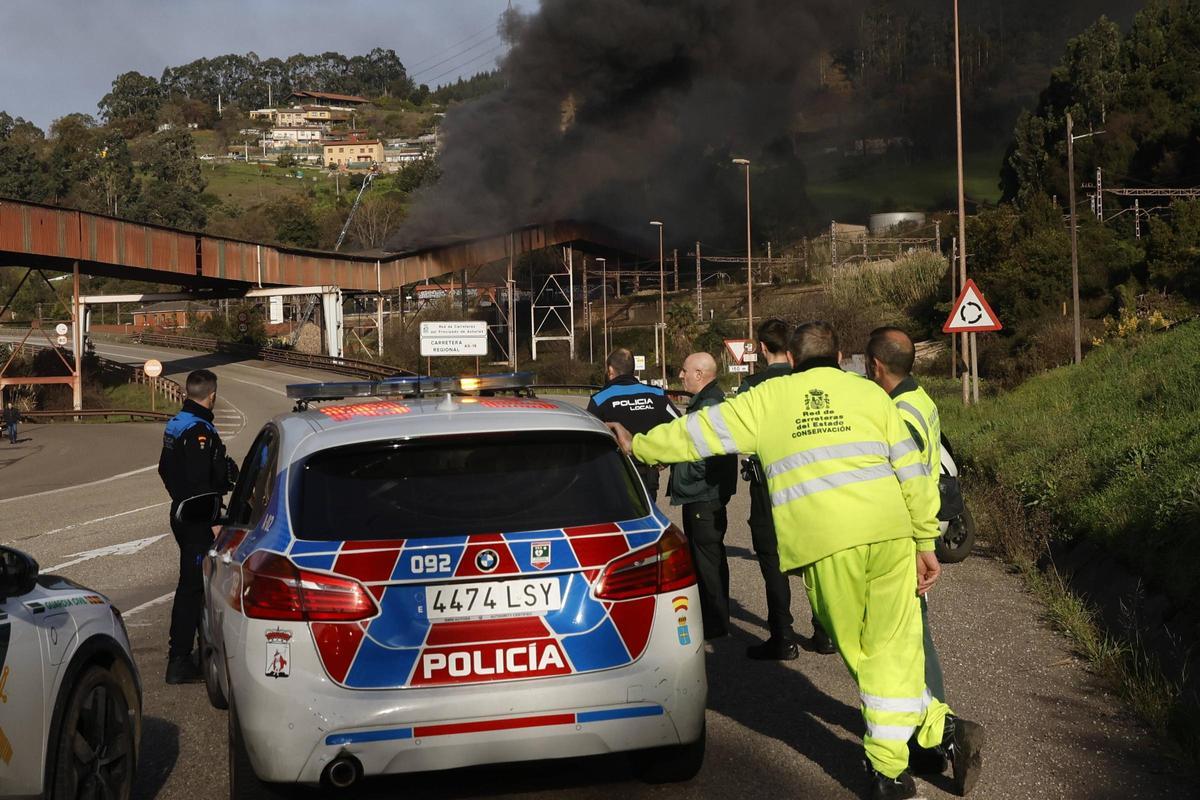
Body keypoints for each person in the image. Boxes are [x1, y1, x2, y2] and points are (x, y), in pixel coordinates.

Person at [609, 322, 984, 800]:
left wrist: (637, 444)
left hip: (828, 545)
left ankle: (891, 771)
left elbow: (697, 433)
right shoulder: (871, 397)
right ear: (842, 354)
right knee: (894, 646)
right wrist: (924, 541)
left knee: (867, 656)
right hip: (890, 536)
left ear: (792, 355)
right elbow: (911, 471)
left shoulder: (767, 400)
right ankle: (938, 730)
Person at [866, 326, 954, 773]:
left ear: (875, 366)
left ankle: (934, 737)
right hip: (918, 531)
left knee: (912, 641)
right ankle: (929, 730)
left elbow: (905, 482)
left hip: (904, 537)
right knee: (916, 637)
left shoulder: (897, 412)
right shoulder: (921, 400)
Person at [737, 318, 833, 660]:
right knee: (815, 558)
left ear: (762, 348)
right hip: (810, 482)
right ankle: (825, 633)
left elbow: (741, 440)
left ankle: (784, 637)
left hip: (769, 485)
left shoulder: (752, 386)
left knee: (773, 562)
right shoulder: (803, 381)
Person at [158, 369, 238, 685]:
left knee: (194, 585)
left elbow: (166, 469)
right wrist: (214, 519)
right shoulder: (198, 431)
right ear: (212, 394)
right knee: (191, 587)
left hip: (185, 514)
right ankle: (178, 660)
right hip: (197, 520)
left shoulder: (177, 423)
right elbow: (200, 482)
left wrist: (180, 500)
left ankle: (191, 651)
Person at [671, 352, 738, 640]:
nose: (680, 376)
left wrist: (689, 475)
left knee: (707, 560)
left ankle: (715, 620)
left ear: (699, 374)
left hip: (703, 494)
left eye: (684, 371)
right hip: (703, 492)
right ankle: (716, 616)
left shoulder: (708, 404)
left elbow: (705, 453)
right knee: (709, 557)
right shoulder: (708, 401)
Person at [586, 348, 679, 499]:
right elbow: (679, 426)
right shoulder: (657, 394)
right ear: (632, 370)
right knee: (647, 518)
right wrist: (665, 457)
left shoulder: (599, 399)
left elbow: (589, 440)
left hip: (614, 476)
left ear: (610, 370)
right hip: (648, 474)